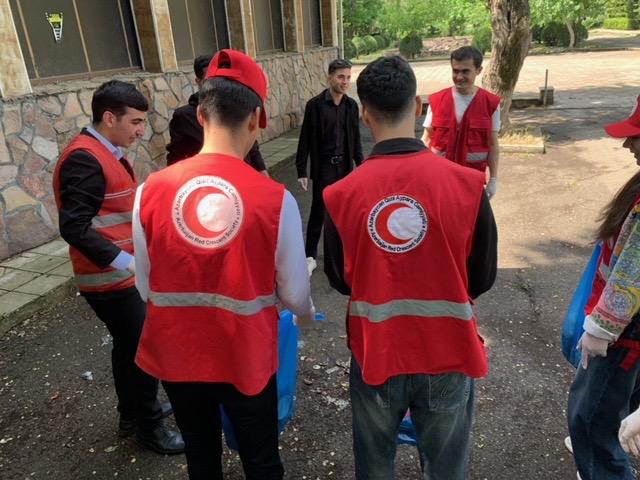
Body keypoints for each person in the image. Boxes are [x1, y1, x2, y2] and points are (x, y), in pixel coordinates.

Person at [132, 49, 315, 480]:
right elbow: (293, 294)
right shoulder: (276, 200)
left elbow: (144, 285)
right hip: (245, 355)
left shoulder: (150, 190)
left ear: (200, 116)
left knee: (201, 458)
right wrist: (304, 316)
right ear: (257, 118)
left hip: (178, 354)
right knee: (261, 460)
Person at [322, 56, 497, 480]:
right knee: (446, 468)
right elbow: (482, 276)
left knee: (375, 466)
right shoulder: (467, 186)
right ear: (418, 107)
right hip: (448, 350)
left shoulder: (341, 194)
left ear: (364, 113)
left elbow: (339, 279)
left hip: (376, 352)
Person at [52, 80, 184, 454]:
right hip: (110, 280)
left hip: (118, 277)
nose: (141, 131)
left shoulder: (104, 151)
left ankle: (131, 414)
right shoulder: (84, 158)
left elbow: (113, 210)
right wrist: (128, 263)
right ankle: (149, 427)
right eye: (135, 122)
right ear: (109, 118)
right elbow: (74, 226)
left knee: (128, 348)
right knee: (144, 350)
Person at [568, 95, 640, 480]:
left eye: (636, 136)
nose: (627, 144)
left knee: (590, 419)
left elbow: (632, 270)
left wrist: (601, 328)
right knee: (618, 412)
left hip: (625, 332)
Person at [295, 58, 363, 275]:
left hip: (344, 167)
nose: (345, 82)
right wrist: (301, 170)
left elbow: (356, 139)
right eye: (341, 77)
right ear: (329, 78)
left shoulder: (351, 106)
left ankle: (345, 254)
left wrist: (361, 165)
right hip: (324, 167)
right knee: (319, 211)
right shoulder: (314, 106)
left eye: (348, 77)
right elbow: (305, 139)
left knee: (344, 211)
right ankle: (309, 256)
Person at [166, 54, 268, 175]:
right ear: (201, 115)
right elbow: (175, 158)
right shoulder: (184, 117)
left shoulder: (238, 107)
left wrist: (263, 175)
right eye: (210, 80)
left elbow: (252, 148)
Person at [420, 46, 500, 199]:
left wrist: (493, 179)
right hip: (439, 179)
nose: (459, 77)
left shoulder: (490, 104)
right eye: (455, 71)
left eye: (465, 71)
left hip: (472, 180)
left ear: (478, 70)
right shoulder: (437, 101)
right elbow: (426, 139)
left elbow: (493, 144)